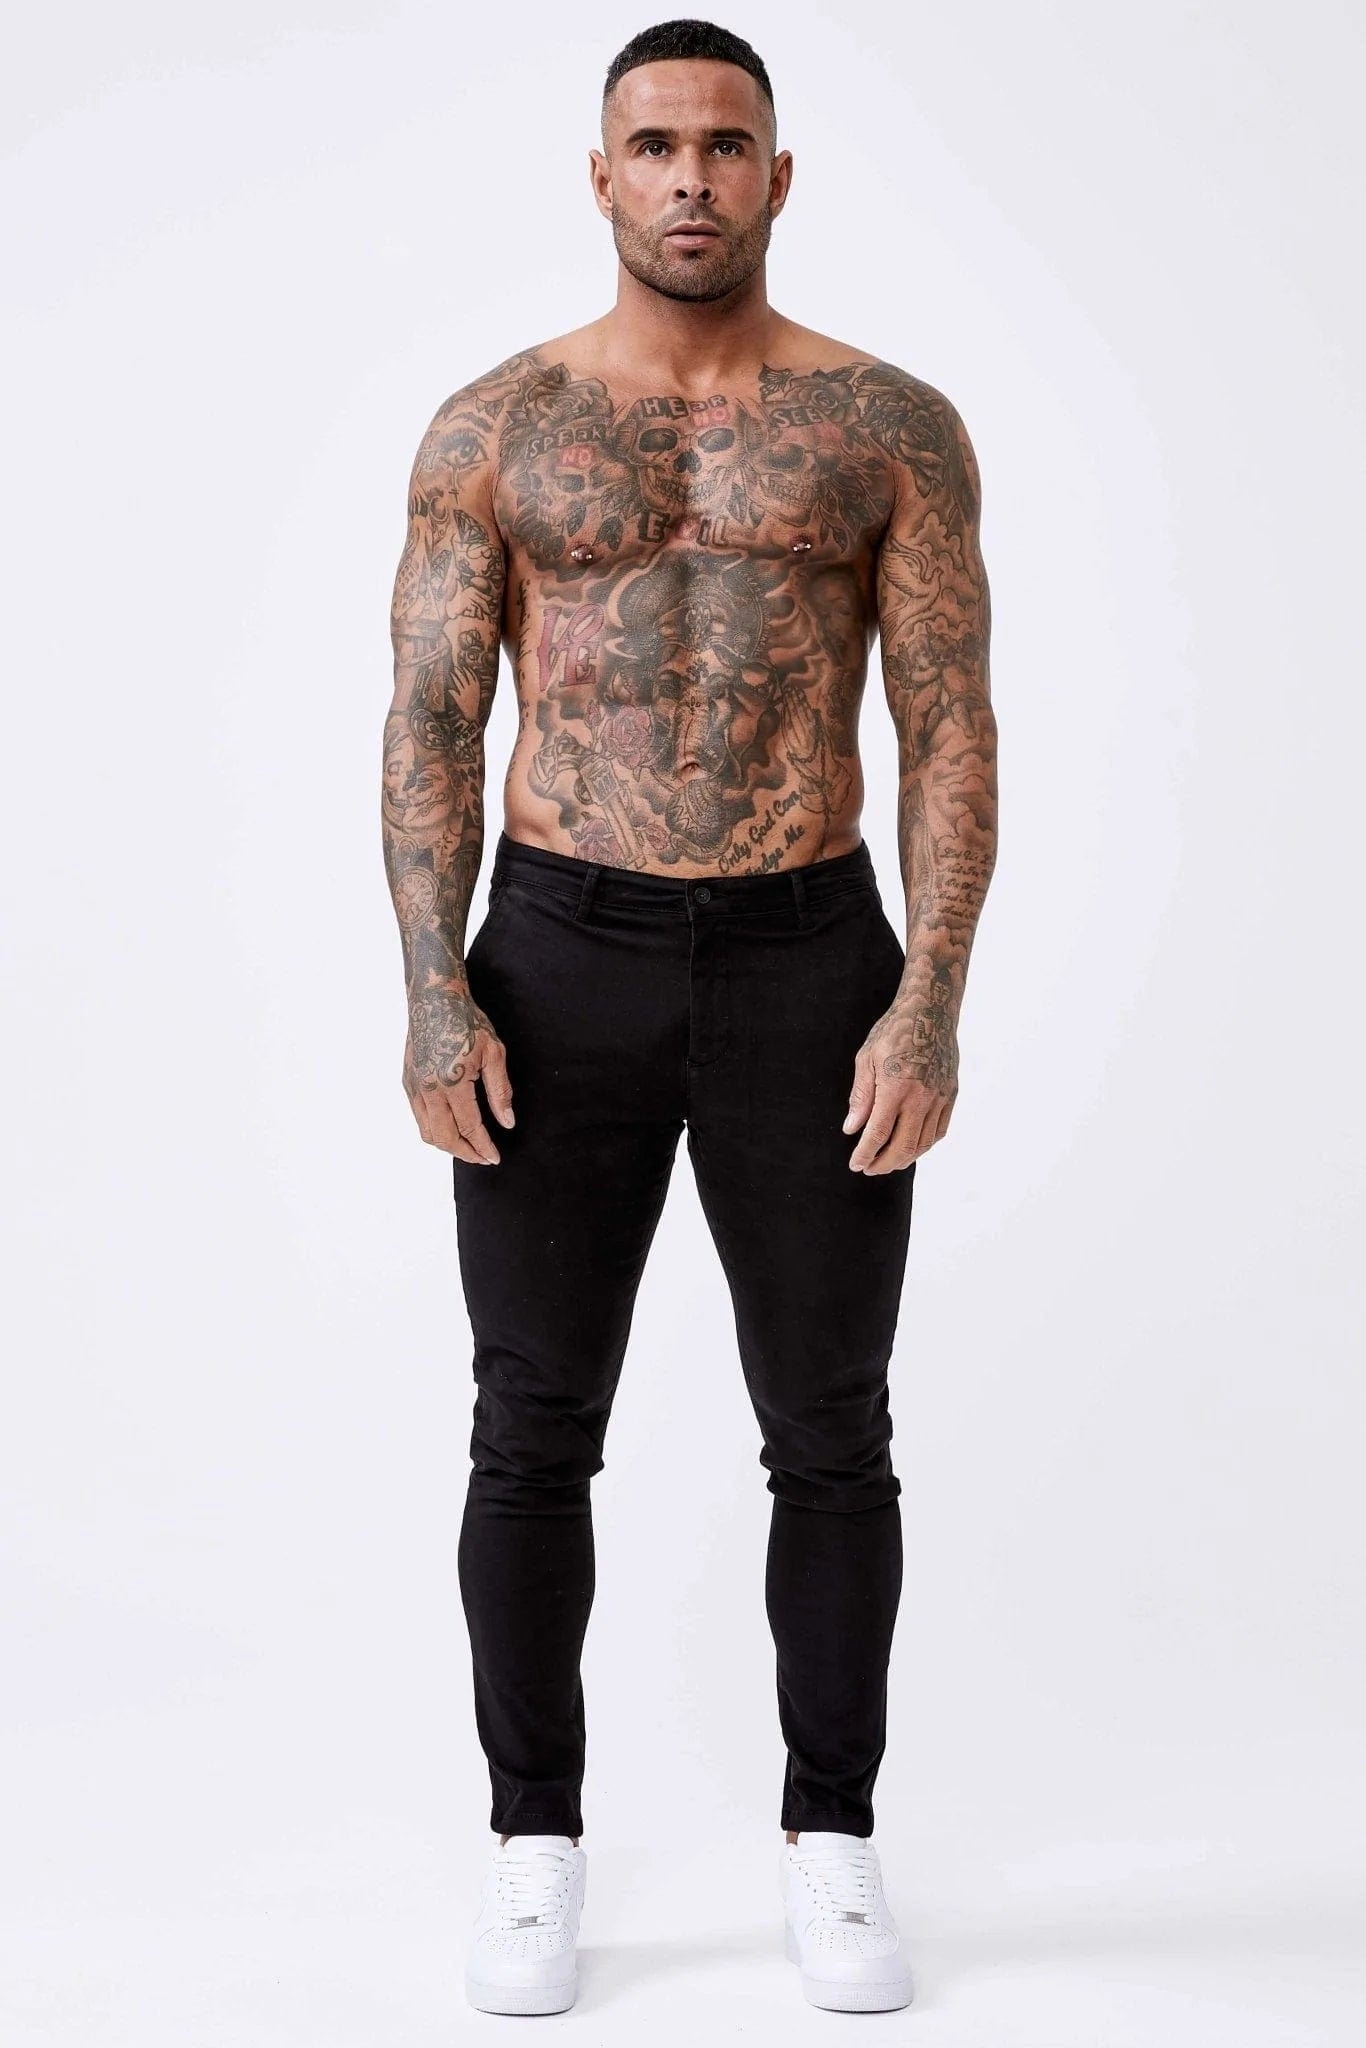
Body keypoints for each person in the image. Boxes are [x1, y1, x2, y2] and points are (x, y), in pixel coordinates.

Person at [379, 17, 998, 2016]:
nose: (689, 178)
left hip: (809, 952)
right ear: (600, 176)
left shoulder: (884, 426)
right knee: (529, 1424)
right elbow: (430, 720)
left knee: (829, 1428)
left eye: (724, 145)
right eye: (652, 145)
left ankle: (831, 1842)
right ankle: (531, 1844)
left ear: (776, 176)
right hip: (558, 950)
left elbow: (948, 725)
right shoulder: (497, 428)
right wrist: (432, 987)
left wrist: (926, 998)